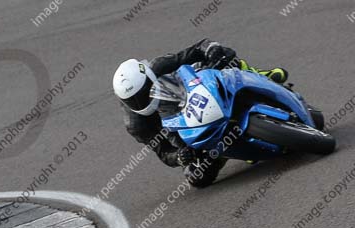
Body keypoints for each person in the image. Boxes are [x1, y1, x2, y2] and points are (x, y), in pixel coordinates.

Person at [112, 39, 289, 187]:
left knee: (227, 58)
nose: (140, 100)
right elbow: (164, 153)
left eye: (144, 91)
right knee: (197, 177)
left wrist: (213, 50)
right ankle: (228, 151)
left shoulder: (159, 66)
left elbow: (200, 47)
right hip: (183, 130)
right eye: (133, 99)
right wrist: (180, 157)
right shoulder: (137, 125)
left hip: (196, 92)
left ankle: (259, 75)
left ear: (149, 77)